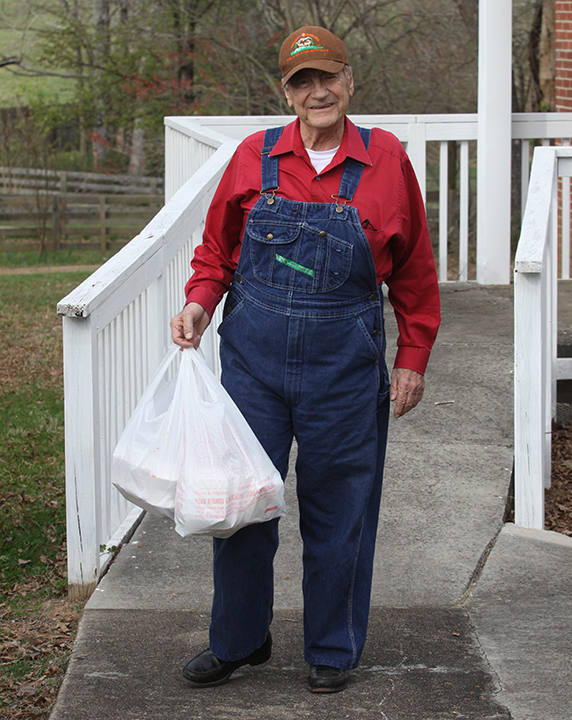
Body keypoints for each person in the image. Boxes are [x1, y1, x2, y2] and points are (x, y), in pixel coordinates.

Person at [170, 24, 440, 693]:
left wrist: (413, 353)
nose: (318, 91)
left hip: (344, 370)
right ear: (285, 92)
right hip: (253, 365)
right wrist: (200, 304)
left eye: (328, 77)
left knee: (340, 511)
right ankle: (239, 640)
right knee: (241, 505)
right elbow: (217, 253)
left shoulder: (387, 161)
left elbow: (414, 272)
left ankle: (331, 647)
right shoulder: (251, 158)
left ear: (349, 80)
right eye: (302, 82)